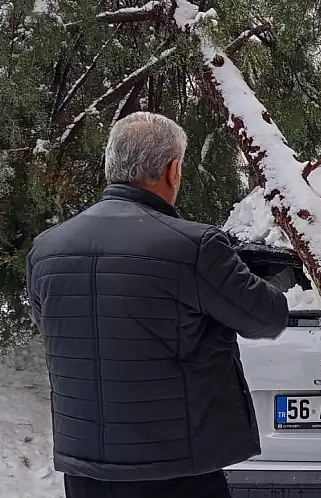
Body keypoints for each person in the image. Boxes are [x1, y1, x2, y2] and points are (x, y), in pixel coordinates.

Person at [26, 112, 290, 498]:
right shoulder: (193, 247)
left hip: (86, 468)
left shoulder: (47, 249)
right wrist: (281, 280)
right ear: (173, 169)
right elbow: (267, 318)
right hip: (176, 464)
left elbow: (54, 328)